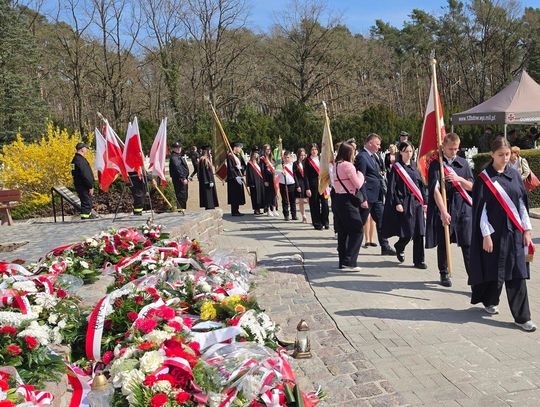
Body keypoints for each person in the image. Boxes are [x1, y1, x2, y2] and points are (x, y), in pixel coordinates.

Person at [469, 136, 536, 332]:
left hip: (515, 233)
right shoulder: (483, 179)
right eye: (501, 155)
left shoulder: (514, 175)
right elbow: (481, 211)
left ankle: (522, 318)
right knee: (495, 271)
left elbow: (521, 204)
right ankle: (490, 300)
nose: (505, 158)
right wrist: (486, 235)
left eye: (507, 154)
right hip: (494, 234)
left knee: (517, 273)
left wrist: (527, 229)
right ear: (492, 155)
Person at [425, 133, 474, 287]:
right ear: (443, 147)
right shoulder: (436, 165)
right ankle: (444, 273)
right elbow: (435, 190)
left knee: (468, 244)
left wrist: (459, 179)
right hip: (445, 208)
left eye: (456, 149)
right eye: (450, 149)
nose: (453, 152)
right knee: (444, 243)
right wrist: (443, 211)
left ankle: (473, 278)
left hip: (463, 209)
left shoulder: (463, 164)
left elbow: (472, 186)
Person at [382, 142, 427, 269]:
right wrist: (397, 202)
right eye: (406, 151)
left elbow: (421, 186)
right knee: (408, 231)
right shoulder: (397, 168)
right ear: (401, 152)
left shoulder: (415, 166)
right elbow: (392, 188)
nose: (409, 154)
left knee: (419, 232)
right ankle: (400, 246)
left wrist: (425, 202)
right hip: (404, 202)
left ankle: (419, 260)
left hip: (417, 202)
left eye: (411, 151)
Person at [355, 133, 396, 255]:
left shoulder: (374, 156)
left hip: (377, 195)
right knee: (360, 222)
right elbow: (360, 178)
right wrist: (363, 198)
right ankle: (349, 246)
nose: (379, 147)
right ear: (370, 143)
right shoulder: (362, 157)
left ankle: (385, 246)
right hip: (367, 196)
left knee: (382, 220)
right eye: (377, 144)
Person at [333, 142, 365, 271]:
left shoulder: (336, 165)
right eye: (352, 152)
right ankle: (349, 260)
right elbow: (358, 184)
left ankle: (342, 262)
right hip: (348, 200)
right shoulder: (348, 166)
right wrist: (361, 175)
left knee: (343, 232)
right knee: (357, 230)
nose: (354, 155)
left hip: (338, 199)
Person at [305, 143, 329, 230]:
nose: (314, 151)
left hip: (323, 184)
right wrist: (307, 188)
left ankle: (325, 221)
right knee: (315, 205)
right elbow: (306, 176)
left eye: (315, 149)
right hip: (313, 185)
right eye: (312, 149)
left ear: (318, 150)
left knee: (325, 204)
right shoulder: (307, 161)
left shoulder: (321, 159)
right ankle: (317, 223)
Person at [71, 142, 95, 220]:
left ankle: (88, 218)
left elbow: (73, 173)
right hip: (84, 186)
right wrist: (90, 186)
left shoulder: (74, 160)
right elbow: (86, 174)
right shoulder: (80, 160)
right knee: (86, 204)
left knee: (87, 203)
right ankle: (85, 221)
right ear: (82, 149)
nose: (86, 150)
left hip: (79, 185)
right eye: (85, 148)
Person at [226, 141, 246, 216]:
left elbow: (244, 165)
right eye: (239, 147)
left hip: (239, 177)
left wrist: (241, 168)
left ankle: (237, 210)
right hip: (233, 178)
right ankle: (234, 211)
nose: (240, 149)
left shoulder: (239, 156)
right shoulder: (230, 156)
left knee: (238, 194)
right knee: (234, 195)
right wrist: (235, 175)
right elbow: (230, 168)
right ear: (235, 148)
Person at [169, 142, 190, 213]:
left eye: (179, 147)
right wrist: (183, 178)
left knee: (184, 195)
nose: (178, 149)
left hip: (182, 178)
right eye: (176, 148)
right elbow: (178, 168)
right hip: (179, 180)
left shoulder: (177, 156)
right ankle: (181, 211)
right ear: (173, 149)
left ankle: (182, 210)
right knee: (181, 195)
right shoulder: (174, 157)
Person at [277, 151, 297, 221]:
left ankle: (294, 215)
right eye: (285, 158)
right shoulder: (280, 165)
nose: (286, 159)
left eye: (288, 157)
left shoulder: (293, 165)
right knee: (285, 200)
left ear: (290, 158)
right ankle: (286, 215)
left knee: (292, 200)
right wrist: (281, 172)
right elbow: (275, 172)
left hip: (292, 184)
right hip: (283, 184)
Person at [260, 144, 279, 216]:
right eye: (267, 149)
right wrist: (264, 180)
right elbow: (262, 170)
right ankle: (268, 209)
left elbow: (275, 167)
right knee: (268, 195)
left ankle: (274, 209)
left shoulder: (272, 158)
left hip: (273, 178)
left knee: (274, 194)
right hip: (267, 179)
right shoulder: (262, 159)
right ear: (264, 150)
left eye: (269, 149)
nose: (268, 150)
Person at [246, 147, 265, 215]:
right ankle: (256, 209)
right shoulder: (250, 163)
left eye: (257, 154)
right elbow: (249, 174)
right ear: (252, 155)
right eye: (254, 154)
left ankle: (260, 208)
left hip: (260, 181)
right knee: (255, 196)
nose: (256, 155)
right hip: (254, 182)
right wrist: (251, 183)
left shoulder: (260, 163)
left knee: (261, 195)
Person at [294, 148, 309, 223]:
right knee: (301, 201)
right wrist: (297, 186)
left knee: (309, 200)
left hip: (307, 183)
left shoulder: (307, 162)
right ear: (298, 155)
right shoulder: (295, 163)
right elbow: (294, 175)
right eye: (301, 155)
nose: (302, 157)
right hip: (300, 184)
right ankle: (304, 216)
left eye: (304, 155)